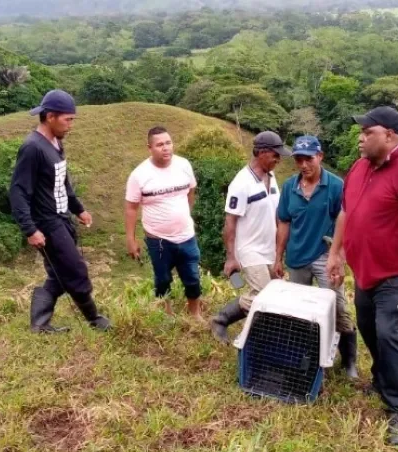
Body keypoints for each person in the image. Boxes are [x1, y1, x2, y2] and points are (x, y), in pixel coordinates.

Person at [326, 107, 398, 446]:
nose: (360, 137)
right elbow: (346, 212)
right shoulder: (359, 168)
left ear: (389, 136)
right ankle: (380, 376)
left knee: (389, 334)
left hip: (396, 275)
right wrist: (336, 253)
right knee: (370, 331)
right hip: (365, 272)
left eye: (367, 132)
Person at [9, 89, 111, 333]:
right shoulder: (32, 148)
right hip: (47, 222)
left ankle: (40, 325)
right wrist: (30, 229)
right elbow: (18, 191)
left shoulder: (55, 144)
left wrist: (79, 209)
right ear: (50, 116)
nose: (71, 125)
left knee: (59, 274)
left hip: (62, 218)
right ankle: (94, 319)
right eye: (68, 119)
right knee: (75, 269)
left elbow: (63, 182)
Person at [275, 135, 358, 379]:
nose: (303, 165)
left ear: (320, 156)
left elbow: (344, 224)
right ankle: (306, 356)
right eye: (299, 159)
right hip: (297, 256)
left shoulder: (335, 186)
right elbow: (283, 221)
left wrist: (339, 258)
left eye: (308, 158)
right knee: (298, 310)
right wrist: (278, 257)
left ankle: (349, 360)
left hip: (325, 255)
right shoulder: (290, 187)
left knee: (338, 307)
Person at [210, 131, 290, 343]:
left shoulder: (272, 179)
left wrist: (280, 251)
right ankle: (223, 321)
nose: (278, 160)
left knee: (276, 295)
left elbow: (276, 215)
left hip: (269, 249)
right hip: (249, 248)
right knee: (263, 296)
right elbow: (230, 222)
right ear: (262, 153)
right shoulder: (241, 183)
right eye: (275, 155)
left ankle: (252, 330)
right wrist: (231, 257)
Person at [124, 127, 202, 318]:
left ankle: (195, 313)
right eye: (159, 144)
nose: (165, 148)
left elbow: (191, 191)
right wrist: (131, 239)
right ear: (149, 147)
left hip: (186, 235)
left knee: (192, 276)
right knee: (163, 278)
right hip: (158, 239)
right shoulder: (139, 175)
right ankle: (166, 313)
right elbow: (131, 208)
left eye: (168, 143)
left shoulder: (184, 165)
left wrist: (185, 215)